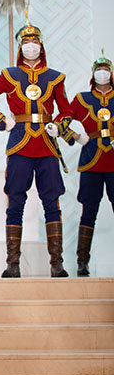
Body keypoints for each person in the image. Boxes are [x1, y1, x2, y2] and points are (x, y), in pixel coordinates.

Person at [0, 17, 74, 277]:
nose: (31, 45)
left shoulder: (55, 77)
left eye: (35, 41)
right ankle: (13, 264)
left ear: (42, 45)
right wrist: (1, 121)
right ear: (20, 46)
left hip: (47, 145)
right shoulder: (11, 75)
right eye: (26, 41)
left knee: (52, 202)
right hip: (20, 143)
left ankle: (57, 264)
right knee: (15, 202)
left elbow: (67, 111)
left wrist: (59, 126)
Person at [63, 51, 114, 276]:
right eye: (99, 69)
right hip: (91, 160)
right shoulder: (82, 99)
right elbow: (62, 120)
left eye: (106, 69)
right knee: (88, 211)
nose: (103, 73)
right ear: (93, 74)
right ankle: (82, 261)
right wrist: (76, 137)